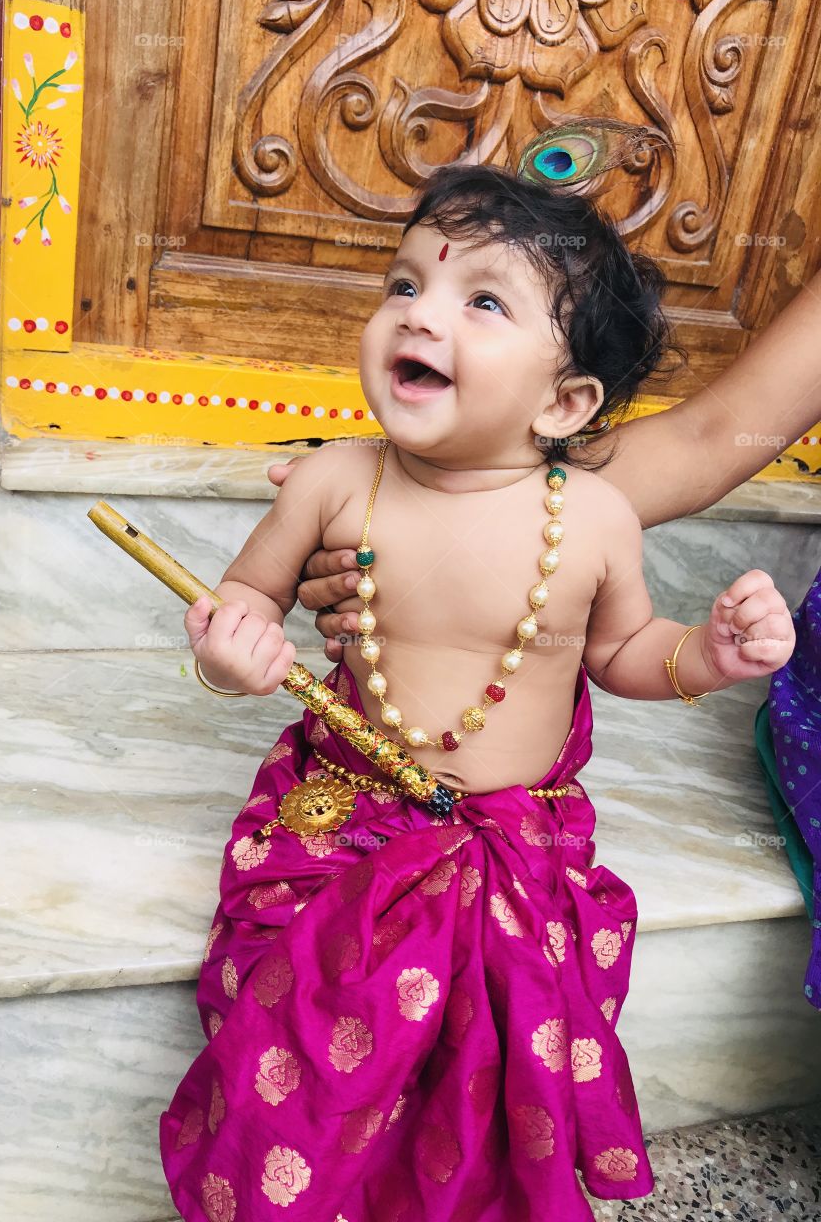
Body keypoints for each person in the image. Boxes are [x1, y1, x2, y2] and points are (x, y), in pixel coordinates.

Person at [159, 156, 797, 1222]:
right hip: (350, 820)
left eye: (481, 299)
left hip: (515, 835)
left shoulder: (591, 519)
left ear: (565, 399)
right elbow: (244, 600)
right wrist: (233, 650)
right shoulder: (331, 481)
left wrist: (711, 657)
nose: (419, 315)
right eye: (404, 285)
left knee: (500, 1049)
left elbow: (625, 648)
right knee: (311, 1027)